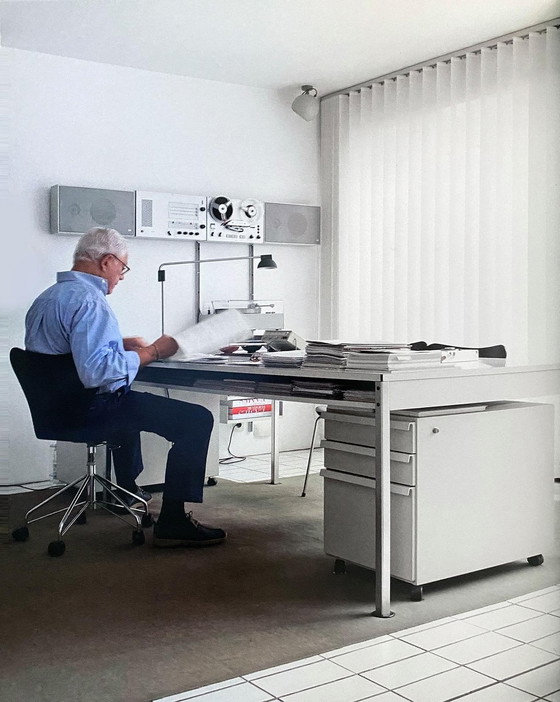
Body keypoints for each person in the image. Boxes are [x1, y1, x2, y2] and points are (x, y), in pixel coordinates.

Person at [25, 227, 226, 547]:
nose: (122, 275)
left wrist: (117, 344)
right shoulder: (90, 301)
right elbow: (96, 374)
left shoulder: (48, 297)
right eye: (122, 267)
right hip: (89, 409)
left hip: (56, 411)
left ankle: (127, 490)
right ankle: (173, 519)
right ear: (106, 261)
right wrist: (153, 352)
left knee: (128, 400)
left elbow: (62, 355)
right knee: (195, 419)